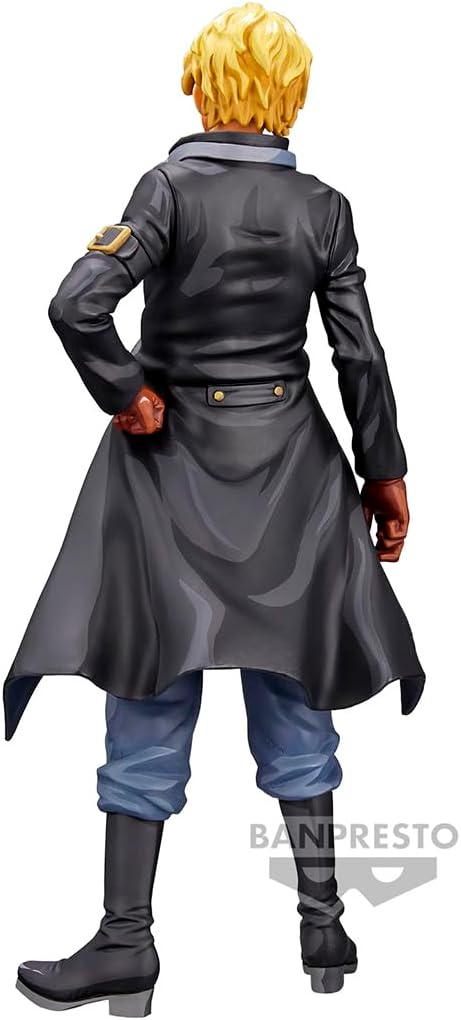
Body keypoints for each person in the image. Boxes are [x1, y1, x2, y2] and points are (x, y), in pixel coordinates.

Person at [5, 3, 425, 1013]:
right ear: (288, 93)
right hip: (293, 474)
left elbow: (76, 302)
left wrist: (126, 391)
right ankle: (322, 927)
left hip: (172, 469)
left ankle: (126, 943)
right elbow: (358, 353)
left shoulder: (166, 189)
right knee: (294, 678)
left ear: (203, 86)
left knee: (150, 681)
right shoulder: (323, 205)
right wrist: (382, 467)